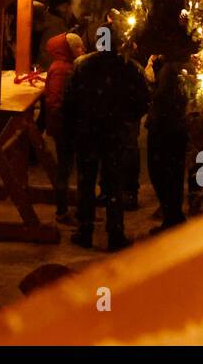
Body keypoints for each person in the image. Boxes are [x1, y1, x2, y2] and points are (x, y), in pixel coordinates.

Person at [62, 30, 149, 252]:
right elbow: (142, 100)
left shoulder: (83, 66)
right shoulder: (130, 68)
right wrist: (127, 120)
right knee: (113, 184)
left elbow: (70, 99)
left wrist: (74, 125)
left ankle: (85, 229)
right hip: (115, 133)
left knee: (86, 182)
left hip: (88, 132)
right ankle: (115, 232)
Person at [42, 32, 85, 224]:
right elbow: (56, 101)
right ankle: (62, 210)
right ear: (67, 49)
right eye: (78, 47)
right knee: (65, 168)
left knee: (67, 167)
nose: (82, 51)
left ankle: (75, 208)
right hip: (65, 127)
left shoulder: (66, 66)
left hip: (67, 125)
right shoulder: (62, 69)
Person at [146, 55, 190, 231]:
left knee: (162, 173)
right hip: (175, 128)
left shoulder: (170, 70)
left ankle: (172, 217)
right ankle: (173, 216)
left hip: (164, 129)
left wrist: (150, 84)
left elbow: (161, 98)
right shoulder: (176, 68)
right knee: (173, 174)